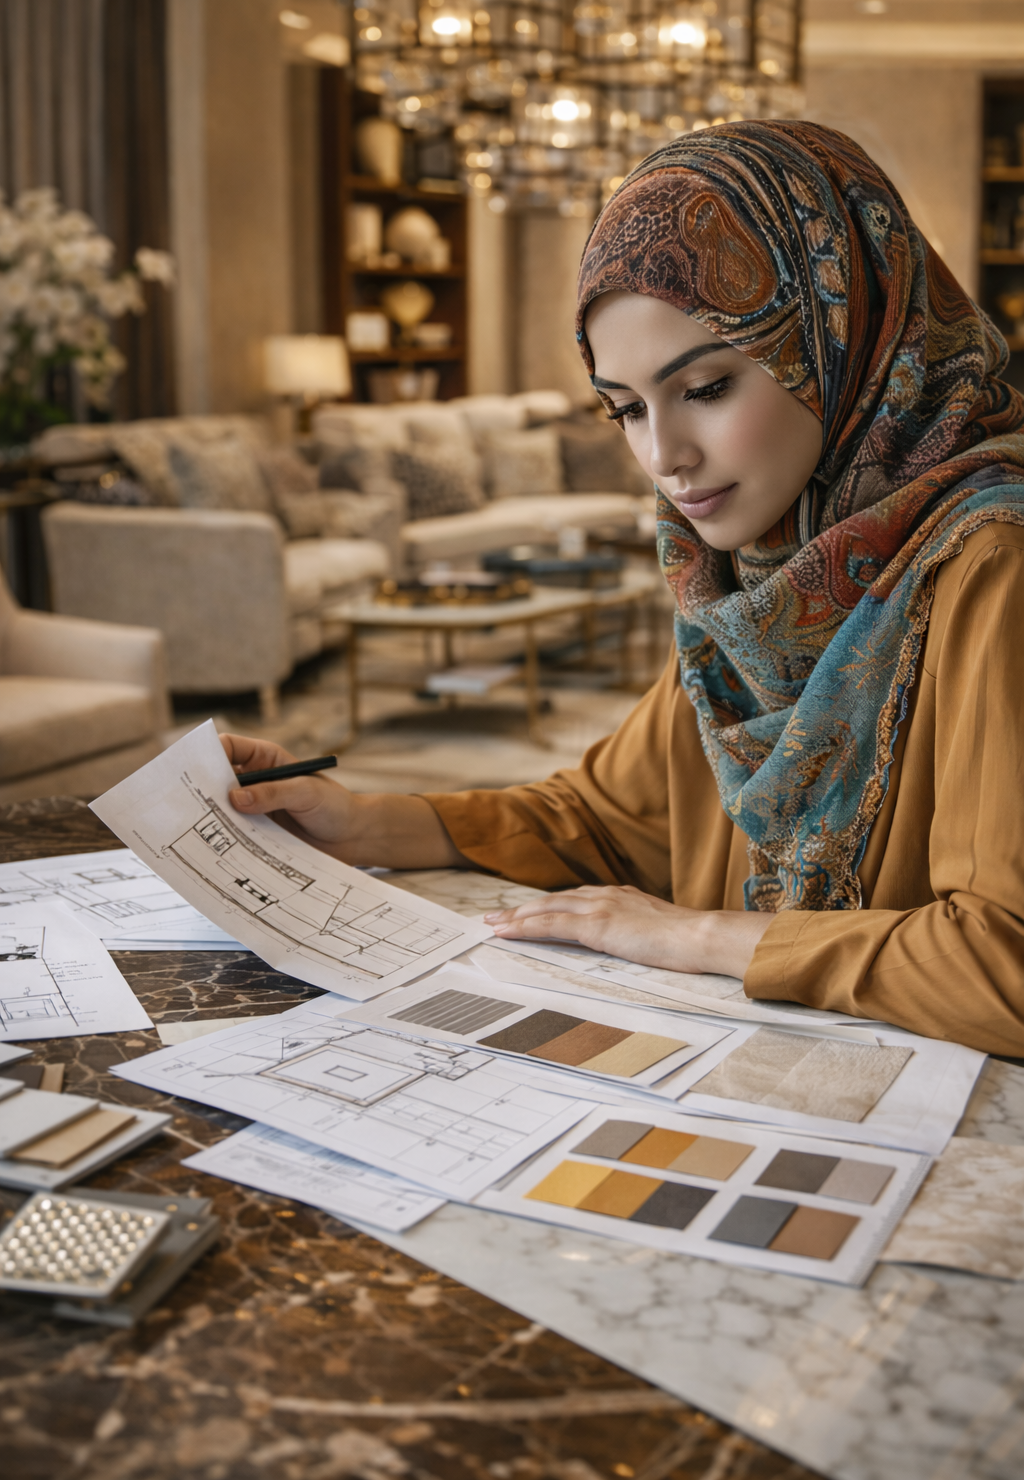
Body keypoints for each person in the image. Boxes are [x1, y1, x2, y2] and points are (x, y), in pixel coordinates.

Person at [222, 121, 1024, 1057]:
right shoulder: (747, 575)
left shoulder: (992, 563)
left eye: (710, 387)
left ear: (842, 338)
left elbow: (1003, 964)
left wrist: (691, 935)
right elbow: (606, 815)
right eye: (627, 409)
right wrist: (363, 822)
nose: (665, 459)